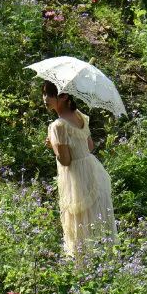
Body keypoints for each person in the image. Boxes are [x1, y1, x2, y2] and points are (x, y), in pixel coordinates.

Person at [42, 81, 118, 262]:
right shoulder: (80, 116)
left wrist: (53, 146)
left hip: (75, 177)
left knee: (79, 221)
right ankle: (103, 262)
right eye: (44, 94)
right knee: (96, 218)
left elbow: (66, 160)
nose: (45, 99)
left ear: (64, 96)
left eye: (50, 94)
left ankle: (82, 265)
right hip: (92, 171)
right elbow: (89, 146)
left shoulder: (58, 126)